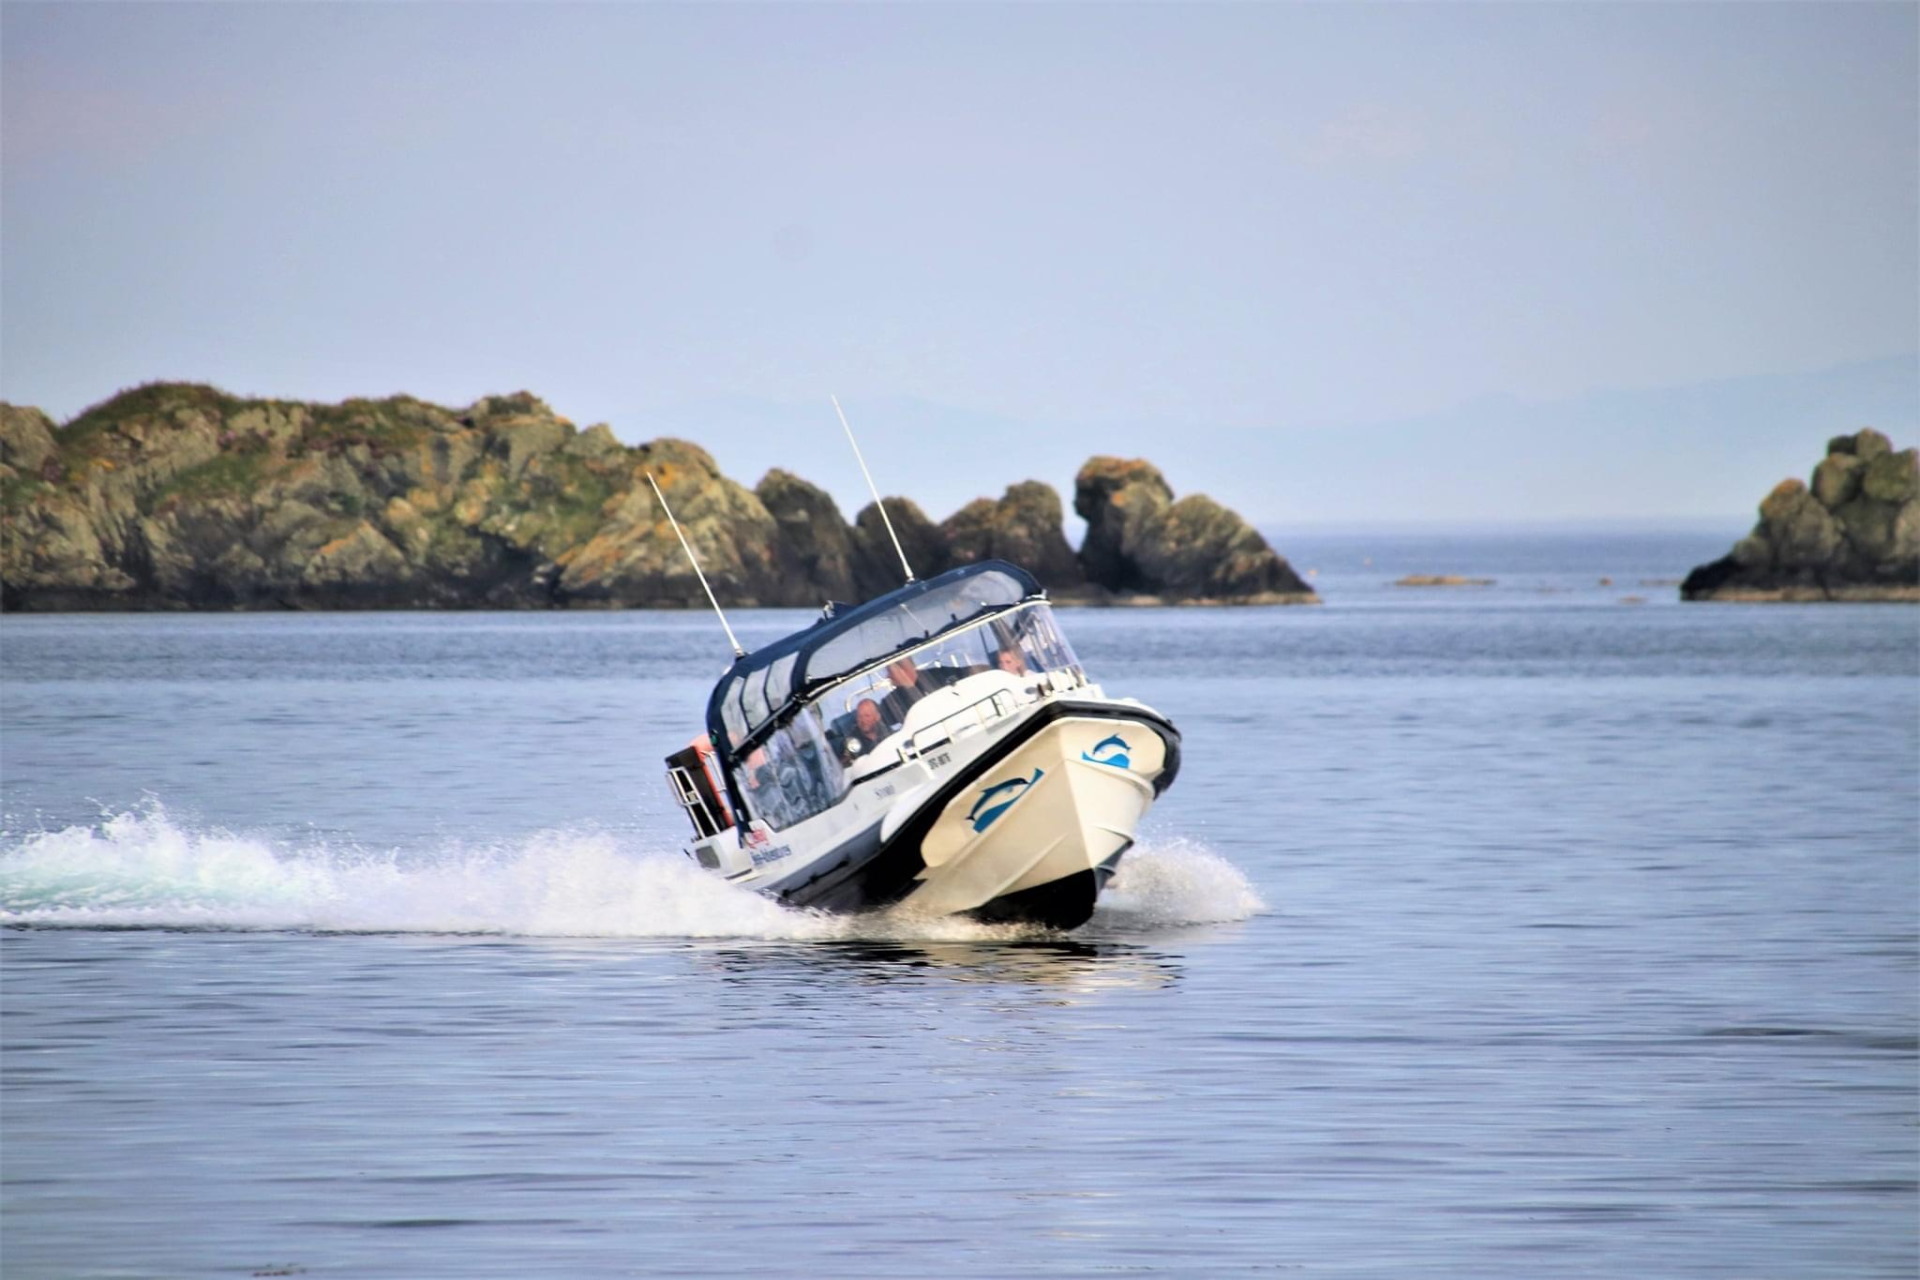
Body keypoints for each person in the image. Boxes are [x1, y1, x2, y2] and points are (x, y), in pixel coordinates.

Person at [880, 654, 963, 726]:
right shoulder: (890, 702)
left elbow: (971, 676)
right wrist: (909, 686)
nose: (888, 676)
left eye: (890, 671)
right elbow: (878, 723)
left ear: (901, 670)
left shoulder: (942, 674)